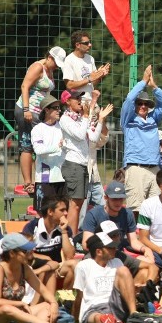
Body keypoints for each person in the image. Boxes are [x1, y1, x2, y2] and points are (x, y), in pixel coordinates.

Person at [81, 181, 158, 285]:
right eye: (114, 199)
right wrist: (106, 247)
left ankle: (133, 295)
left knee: (149, 266)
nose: (118, 202)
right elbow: (86, 244)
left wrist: (145, 249)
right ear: (106, 198)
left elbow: (134, 241)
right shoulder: (94, 214)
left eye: (121, 199)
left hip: (118, 254)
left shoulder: (127, 213)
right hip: (98, 254)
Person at [0, 234, 68, 323]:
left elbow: (42, 290)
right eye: (25, 251)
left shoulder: (24, 268)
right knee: (6, 308)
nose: (29, 253)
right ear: (12, 253)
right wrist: (20, 303)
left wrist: (54, 304)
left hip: (17, 313)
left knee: (46, 305)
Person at [15, 46, 66, 196]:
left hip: (40, 112)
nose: (57, 66)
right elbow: (25, 86)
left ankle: (43, 179)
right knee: (27, 145)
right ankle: (28, 183)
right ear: (49, 57)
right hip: (27, 111)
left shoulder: (50, 70)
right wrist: (26, 109)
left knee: (41, 144)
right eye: (56, 62)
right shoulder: (38, 67)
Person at [60, 89, 113, 226]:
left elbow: (94, 138)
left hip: (83, 166)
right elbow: (79, 134)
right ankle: (72, 238)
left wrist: (100, 120)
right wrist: (85, 116)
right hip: (73, 164)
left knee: (78, 204)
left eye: (80, 97)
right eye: (76, 98)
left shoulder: (80, 119)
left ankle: (75, 237)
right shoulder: (65, 119)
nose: (79, 100)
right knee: (75, 205)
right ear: (67, 101)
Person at [122, 65, 162, 214]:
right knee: (136, 210)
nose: (143, 106)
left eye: (146, 104)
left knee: (155, 210)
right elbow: (129, 99)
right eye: (140, 103)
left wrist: (154, 87)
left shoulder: (153, 119)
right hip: (136, 168)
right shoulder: (128, 119)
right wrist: (143, 82)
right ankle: (133, 237)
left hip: (154, 168)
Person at [72, 231, 138, 323]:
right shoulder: (84, 266)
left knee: (124, 270)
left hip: (115, 304)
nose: (115, 249)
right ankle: (109, 322)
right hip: (94, 307)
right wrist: (74, 318)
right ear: (99, 252)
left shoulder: (117, 262)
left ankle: (134, 315)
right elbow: (79, 296)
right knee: (96, 318)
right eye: (110, 247)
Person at [22, 196, 77, 290]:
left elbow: (70, 256)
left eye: (66, 210)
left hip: (58, 267)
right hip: (36, 268)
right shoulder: (32, 228)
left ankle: (64, 297)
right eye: (62, 210)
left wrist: (63, 232)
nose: (66, 213)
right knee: (46, 271)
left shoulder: (65, 228)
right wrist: (47, 260)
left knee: (74, 264)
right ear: (50, 212)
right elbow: (24, 253)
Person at [31, 95, 66, 210]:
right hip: (45, 177)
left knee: (63, 212)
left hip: (63, 176)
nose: (59, 110)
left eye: (59, 107)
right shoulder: (38, 129)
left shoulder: (63, 127)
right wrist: (58, 146)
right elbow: (39, 150)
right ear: (46, 110)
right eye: (56, 108)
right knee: (43, 213)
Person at [62, 30, 110, 97]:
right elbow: (69, 85)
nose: (90, 45)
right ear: (77, 45)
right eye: (86, 43)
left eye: (89, 42)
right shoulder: (69, 60)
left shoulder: (90, 58)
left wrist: (99, 75)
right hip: (78, 101)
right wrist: (89, 79)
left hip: (91, 99)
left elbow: (93, 83)